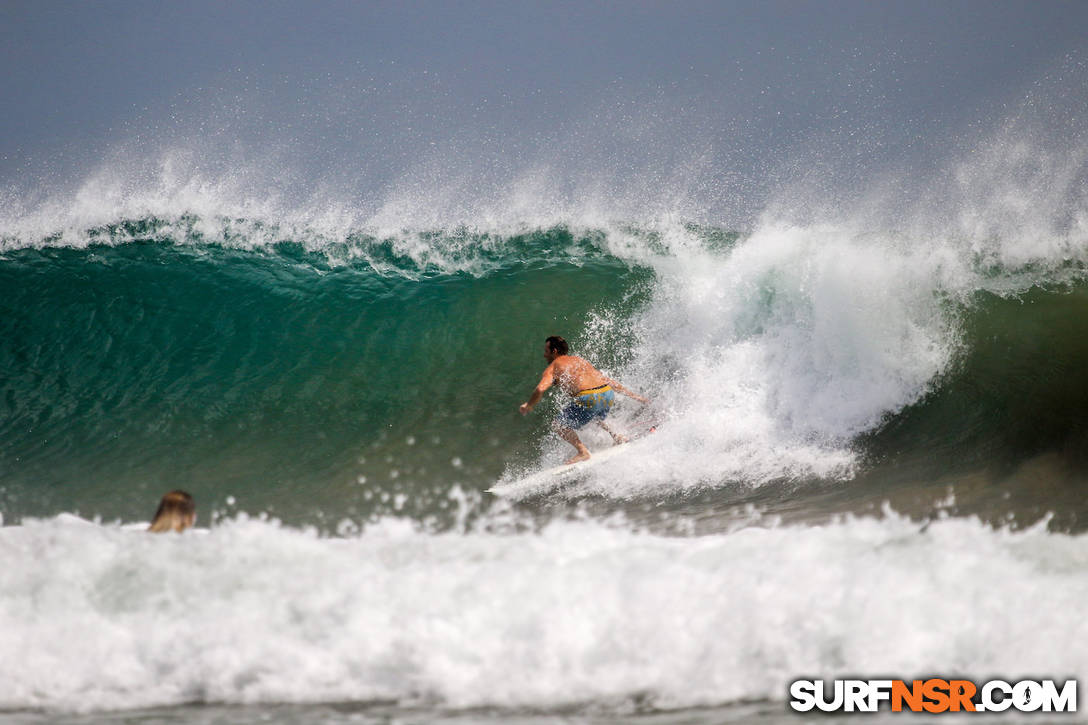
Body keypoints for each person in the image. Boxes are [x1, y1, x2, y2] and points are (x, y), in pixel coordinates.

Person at [519, 335, 649, 464]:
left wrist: (529, 405)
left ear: (554, 351)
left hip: (589, 398)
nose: (544, 355)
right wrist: (635, 396)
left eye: (546, 351)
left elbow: (540, 389)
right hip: (607, 393)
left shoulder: (553, 367)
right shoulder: (579, 360)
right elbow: (606, 380)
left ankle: (582, 452)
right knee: (595, 417)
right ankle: (617, 436)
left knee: (558, 425)